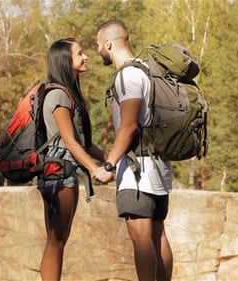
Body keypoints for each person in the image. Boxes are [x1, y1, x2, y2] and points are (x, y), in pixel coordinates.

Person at [96, 20, 173, 281]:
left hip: (137, 171)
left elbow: (128, 126)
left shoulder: (128, 75)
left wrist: (109, 165)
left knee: (141, 238)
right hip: (159, 167)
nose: (98, 50)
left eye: (98, 45)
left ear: (108, 43)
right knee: (157, 234)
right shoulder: (146, 70)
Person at [39, 38, 113, 281]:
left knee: (60, 238)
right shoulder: (58, 95)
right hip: (58, 173)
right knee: (56, 240)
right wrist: (94, 169)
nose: (86, 57)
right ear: (64, 61)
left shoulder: (70, 94)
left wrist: (109, 158)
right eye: (79, 54)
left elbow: (84, 142)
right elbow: (70, 141)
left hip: (65, 172)